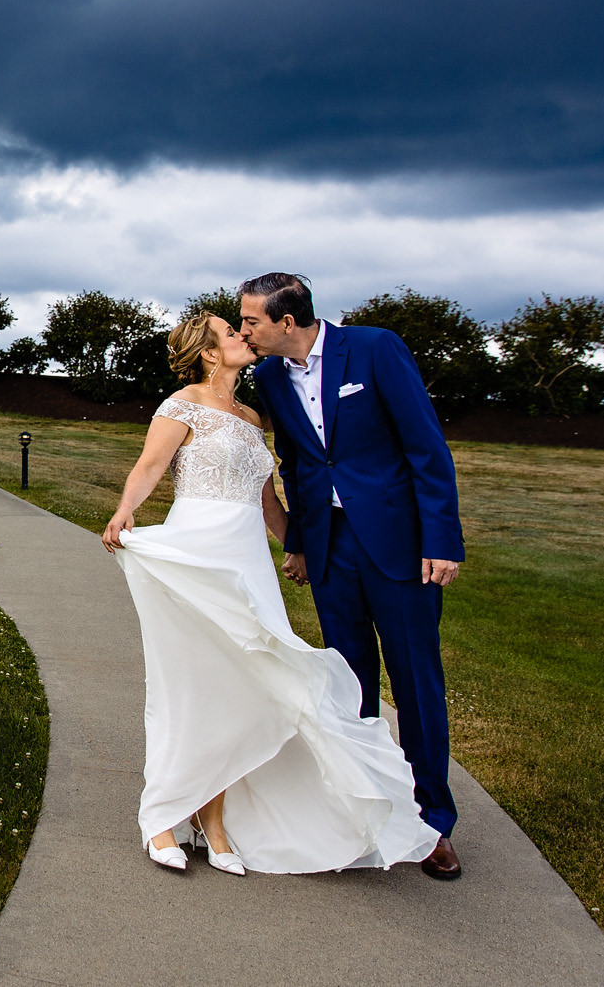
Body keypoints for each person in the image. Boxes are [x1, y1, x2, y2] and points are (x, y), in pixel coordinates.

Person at [102, 312, 441, 875]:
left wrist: (299, 546)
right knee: (191, 685)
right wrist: (125, 509)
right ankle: (162, 815)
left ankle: (213, 822)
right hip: (201, 552)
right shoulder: (180, 404)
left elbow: (267, 501)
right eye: (230, 332)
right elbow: (151, 465)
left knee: (247, 690)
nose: (243, 335)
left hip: (247, 560)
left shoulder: (252, 415)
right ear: (209, 353)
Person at [238, 271, 465, 880]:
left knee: (416, 683)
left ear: (288, 321)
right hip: (332, 551)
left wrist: (442, 539)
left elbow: (426, 446)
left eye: (252, 321)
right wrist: (303, 545)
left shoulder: (373, 348)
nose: (244, 331)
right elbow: (294, 461)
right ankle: (364, 817)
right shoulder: (266, 377)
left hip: (400, 546)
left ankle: (432, 823)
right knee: (348, 687)